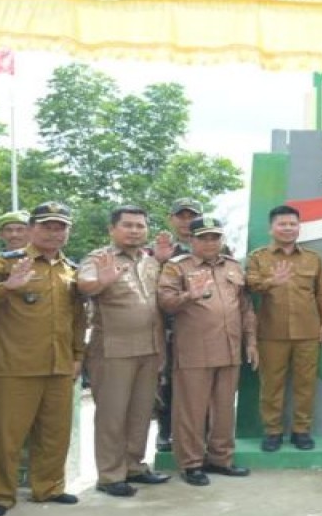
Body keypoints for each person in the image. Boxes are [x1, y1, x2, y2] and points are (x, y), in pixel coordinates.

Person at [0, 201, 87, 516]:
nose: (53, 232)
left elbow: (78, 318)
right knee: (6, 435)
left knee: (54, 433)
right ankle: (1, 494)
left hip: (58, 365)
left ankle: (48, 487)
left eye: (60, 226)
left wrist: (78, 356)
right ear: (32, 228)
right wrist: (7, 287)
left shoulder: (70, 270)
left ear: (68, 232)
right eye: (46, 225)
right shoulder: (6, 263)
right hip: (13, 366)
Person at [78, 206, 170, 498]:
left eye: (140, 226)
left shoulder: (150, 261)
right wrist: (101, 281)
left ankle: (134, 465)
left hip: (150, 347)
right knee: (112, 414)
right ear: (112, 229)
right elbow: (84, 285)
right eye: (128, 225)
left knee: (141, 412)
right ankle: (109, 475)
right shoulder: (99, 258)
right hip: (113, 349)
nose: (134, 231)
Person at [158, 216, 257, 486]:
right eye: (204, 237)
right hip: (194, 350)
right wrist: (190, 295)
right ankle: (191, 464)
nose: (210, 242)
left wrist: (251, 341)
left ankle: (221, 459)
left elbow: (245, 307)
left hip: (230, 347)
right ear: (191, 240)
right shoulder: (177, 267)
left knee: (224, 409)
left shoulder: (233, 267)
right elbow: (165, 302)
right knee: (191, 410)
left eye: (215, 237)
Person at [246, 205, 322, 452]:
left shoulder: (313, 259)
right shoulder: (258, 257)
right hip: (271, 332)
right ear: (271, 228)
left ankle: (301, 431)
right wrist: (271, 282)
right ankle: (272, 431)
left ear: (299, 227)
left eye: (292, 224)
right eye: (282, 224)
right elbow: (249, 286)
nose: (288, 228)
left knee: (305, 384)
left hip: (308, 332)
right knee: (271, 384)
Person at [152, 197, 202, 453]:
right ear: (171, 219)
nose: (186, 221)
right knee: (166, 381)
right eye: (181, 216)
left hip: (201, 328)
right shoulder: (155, 251)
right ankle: (166, 432)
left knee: (199, 382)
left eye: (191, 216)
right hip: (166, 326)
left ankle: (199, 433)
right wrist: (160, 260)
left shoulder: (214, 247)